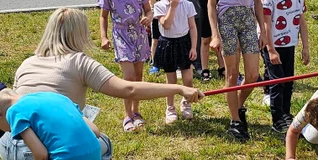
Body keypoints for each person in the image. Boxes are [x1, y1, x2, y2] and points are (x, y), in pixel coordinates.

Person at [12, 6, 203, 111]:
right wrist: (179, 88)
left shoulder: (26, 63)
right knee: (101, 144)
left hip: (13, 147)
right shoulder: (79, 62)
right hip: (52, 143)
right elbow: (128, 89)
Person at [207, 0, 273, 140]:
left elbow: (257, 0)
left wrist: (263, 31)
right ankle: (235, 121)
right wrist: (215, 34)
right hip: (227, 19)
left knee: (253, 74)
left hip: (247, 18)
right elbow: (210, 4)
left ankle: (237, 106)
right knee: (232, 73)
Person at [99, 0, 153, 132]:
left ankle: (137, 112)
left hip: (139, 35)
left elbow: (148, 9)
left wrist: (148, 16)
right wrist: (104, 37)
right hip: (122, 36)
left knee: (138, 77)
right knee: (128, 77)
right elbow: (103, 16)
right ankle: (127, 114)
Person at [259, 0, 309, 132]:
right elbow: (265, 26)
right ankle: (277, 118)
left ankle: (286, 113)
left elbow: (302, 22)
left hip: (290, 45)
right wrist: (271, 50)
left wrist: (305, 47)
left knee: (289, 81)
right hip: (273, 46)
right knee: (277, 82)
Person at [153, 0, 198, 123]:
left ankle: (186, 103)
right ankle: (170, 107)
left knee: (188, 77)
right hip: (167, 43)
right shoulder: (160, 6)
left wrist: (193, 47)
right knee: (171, 80)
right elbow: (166, 24)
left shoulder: (188, 5)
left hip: (184, 42)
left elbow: (192, 27)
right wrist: (172, 7)